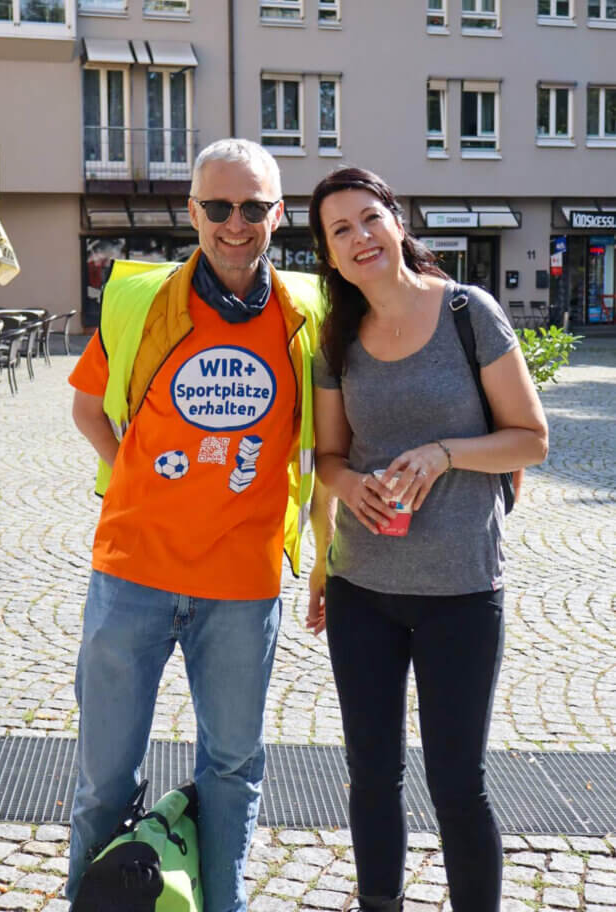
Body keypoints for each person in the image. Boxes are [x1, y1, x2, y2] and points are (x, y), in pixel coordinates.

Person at [66, 138, 328, 912]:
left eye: (252, 207)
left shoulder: (307, 314)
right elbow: (87, 408)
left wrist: (327, 555)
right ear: (192, 212)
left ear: (279, 214)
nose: (235, 223)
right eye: (218, 206)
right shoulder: (142, 302)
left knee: (232, 771)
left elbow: (329, 441)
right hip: (132, 575)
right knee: (104, 780)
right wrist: (135, 475)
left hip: (242, 586)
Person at [305, 167, 548, 912]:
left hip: (462, 590)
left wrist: (445, 453)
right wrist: (351, 486)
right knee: (372, 775)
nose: (360, 236)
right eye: (340, 229)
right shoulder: (336, 339)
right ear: (329, 253)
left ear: (396, 221)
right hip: (363, 591)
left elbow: (531, 438)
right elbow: (328, 458)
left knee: (457, 782)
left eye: (369, 217)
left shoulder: (468, 313)